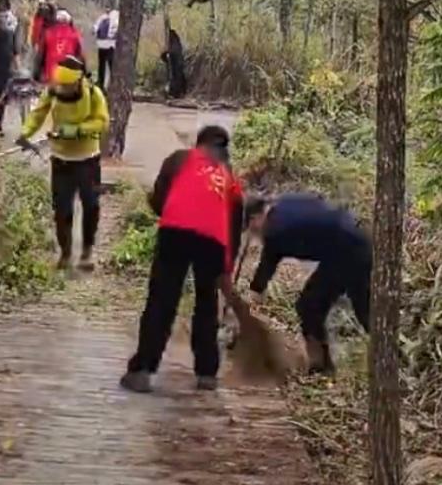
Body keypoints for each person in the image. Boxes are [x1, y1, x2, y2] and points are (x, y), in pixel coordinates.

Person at [122, 125, 244, 394]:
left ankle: (142, 370)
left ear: (198, 144)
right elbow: (235, 226)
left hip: (175, 231)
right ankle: (207, 374)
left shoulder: (179, 159)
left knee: (161, 300)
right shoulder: (229, 176)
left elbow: (159, 201)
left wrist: (166, 207)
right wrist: (227, 268)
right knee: (207, 303)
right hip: (213, 240)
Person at [243, 191, 372, 373]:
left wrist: (255, 293)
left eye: (250, 228)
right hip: (355, 241)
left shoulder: (275, 229)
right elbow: (317, 200)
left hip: (348, 254)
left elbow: (269, 261)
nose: (254, 233)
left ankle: (321, 367)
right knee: (360, 310)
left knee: (310, 307)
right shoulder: (285, 202)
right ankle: (392, 356)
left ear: (255, 218)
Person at [19, 55, 108, 271]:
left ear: (79, 81)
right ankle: (65, 252)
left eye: (68, 85)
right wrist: (25, 133)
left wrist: (75, 131)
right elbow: (38, 114)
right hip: (61, 160)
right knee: (62, 209)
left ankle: (87, 251)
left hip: (88, 159)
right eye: (61, 84)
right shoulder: (52, 92)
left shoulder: (93, 93)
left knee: (91, 206)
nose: (63, 89)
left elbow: (102, 122)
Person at [37, 8, 83, 85]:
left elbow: (41, 54)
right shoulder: (75, 33)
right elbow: (80, 54)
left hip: (51, 74)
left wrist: (38, 72)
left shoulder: (48, 32)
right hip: (69, 73)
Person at [93, 5, 119, 91]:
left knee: (108, 65)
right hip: (105, 44)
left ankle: (106, 84)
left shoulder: (114, 17)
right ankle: (102, 83)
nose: (107, 9)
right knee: (104, 65)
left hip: (109, 45)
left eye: (108, 8)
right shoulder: (103, 17)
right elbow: (95, 28)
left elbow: (95, 29)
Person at [162, 26, 188, 99]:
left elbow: (173, 52)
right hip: (177, 64)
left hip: (177, 64)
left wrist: (166, 54)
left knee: (177, 78)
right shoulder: (175, 43)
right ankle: (177, 92)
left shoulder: (175, 44)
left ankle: (176, 93)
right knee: (177, 78)